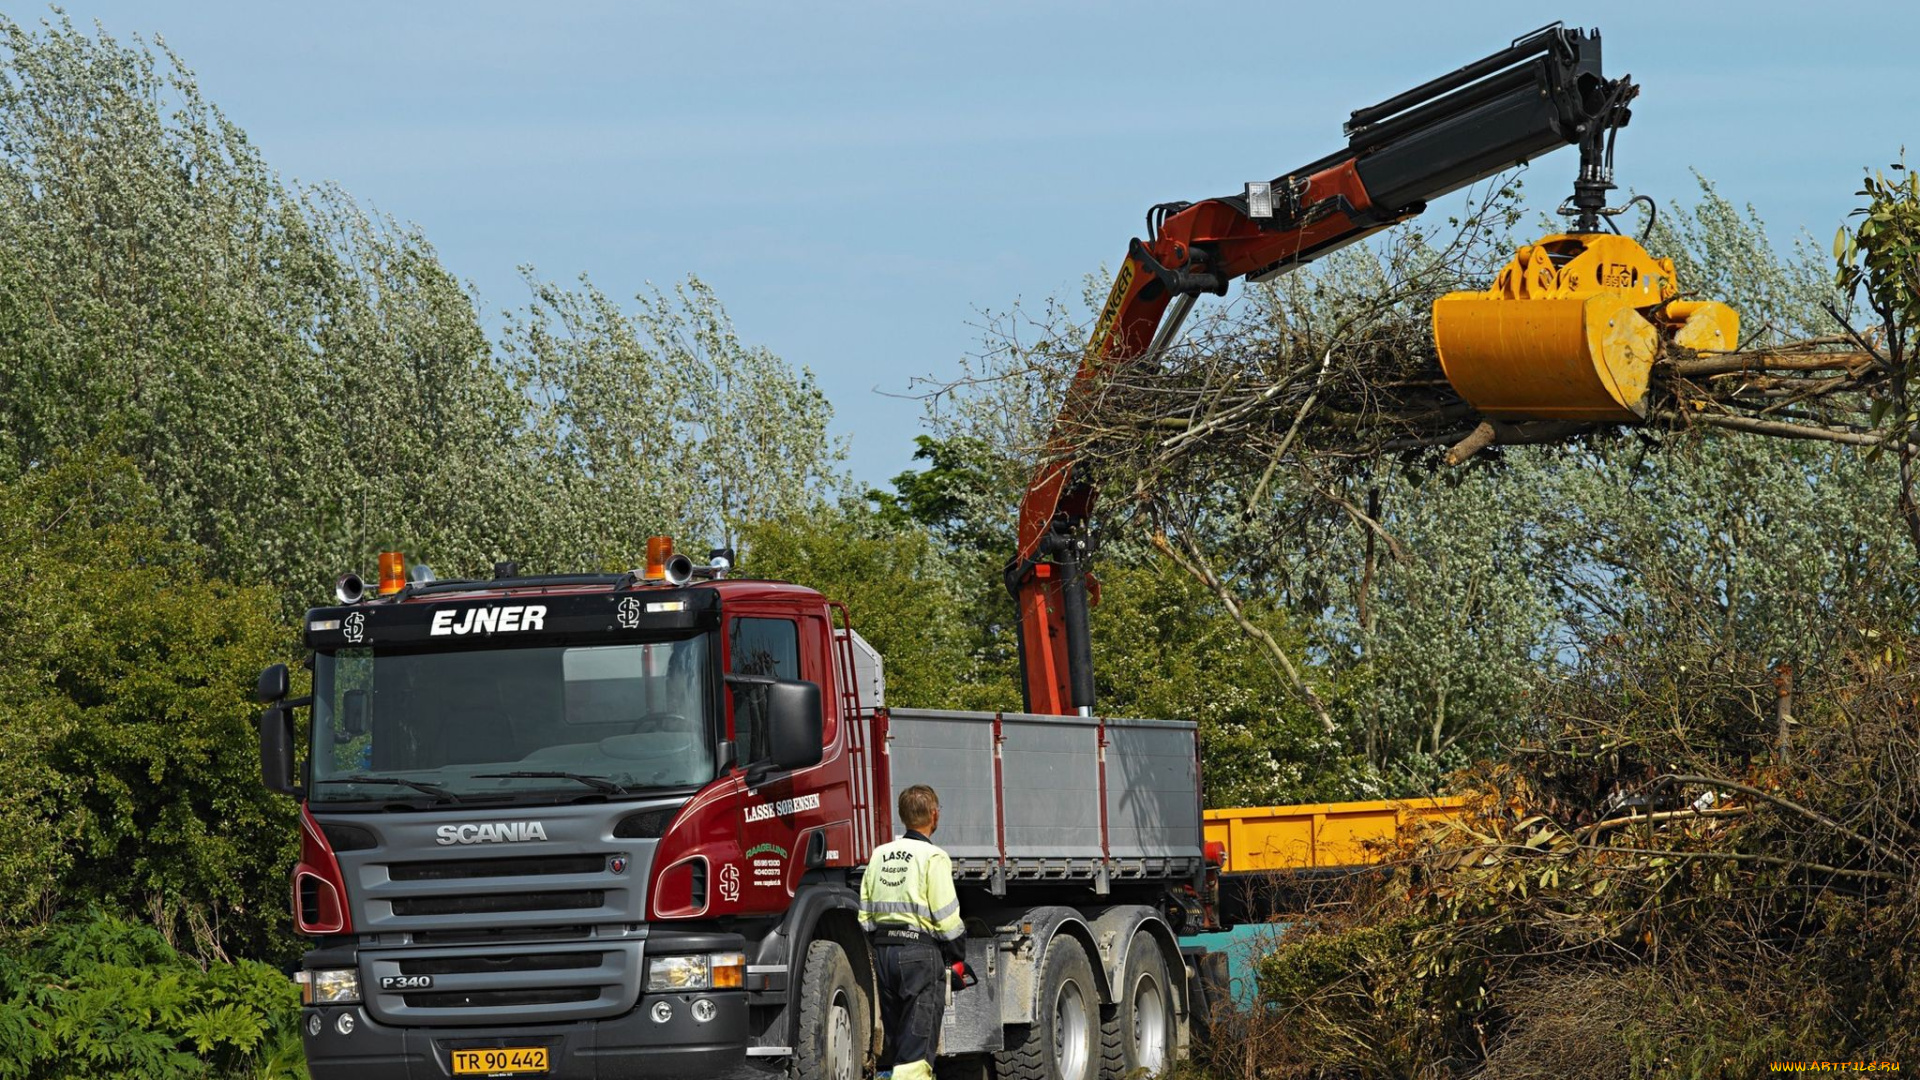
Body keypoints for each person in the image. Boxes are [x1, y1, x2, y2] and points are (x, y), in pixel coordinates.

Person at [859, 784, 970, 1080]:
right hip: (919, 956)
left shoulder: (879, 855)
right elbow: (947, 921)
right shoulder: (933, 858)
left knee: (896, 1044)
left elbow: (865, 915)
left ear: (902, 816)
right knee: (917, 1047)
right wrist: (957, 959)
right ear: (934, 816)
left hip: (884, 953)